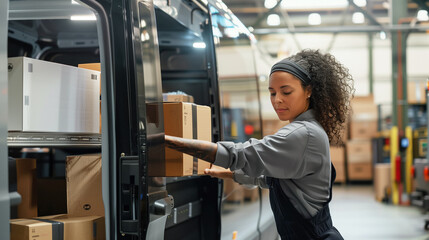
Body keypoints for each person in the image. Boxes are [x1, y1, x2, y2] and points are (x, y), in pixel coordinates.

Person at [165, 49, 354, 240]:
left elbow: (242, 154)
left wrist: (167, 141)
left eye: (286, 92)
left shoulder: (303, 134)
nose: (277, 100)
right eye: (272, 93)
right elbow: (274, 180)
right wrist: (227, 173)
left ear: (309, 91)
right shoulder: (311, 130)